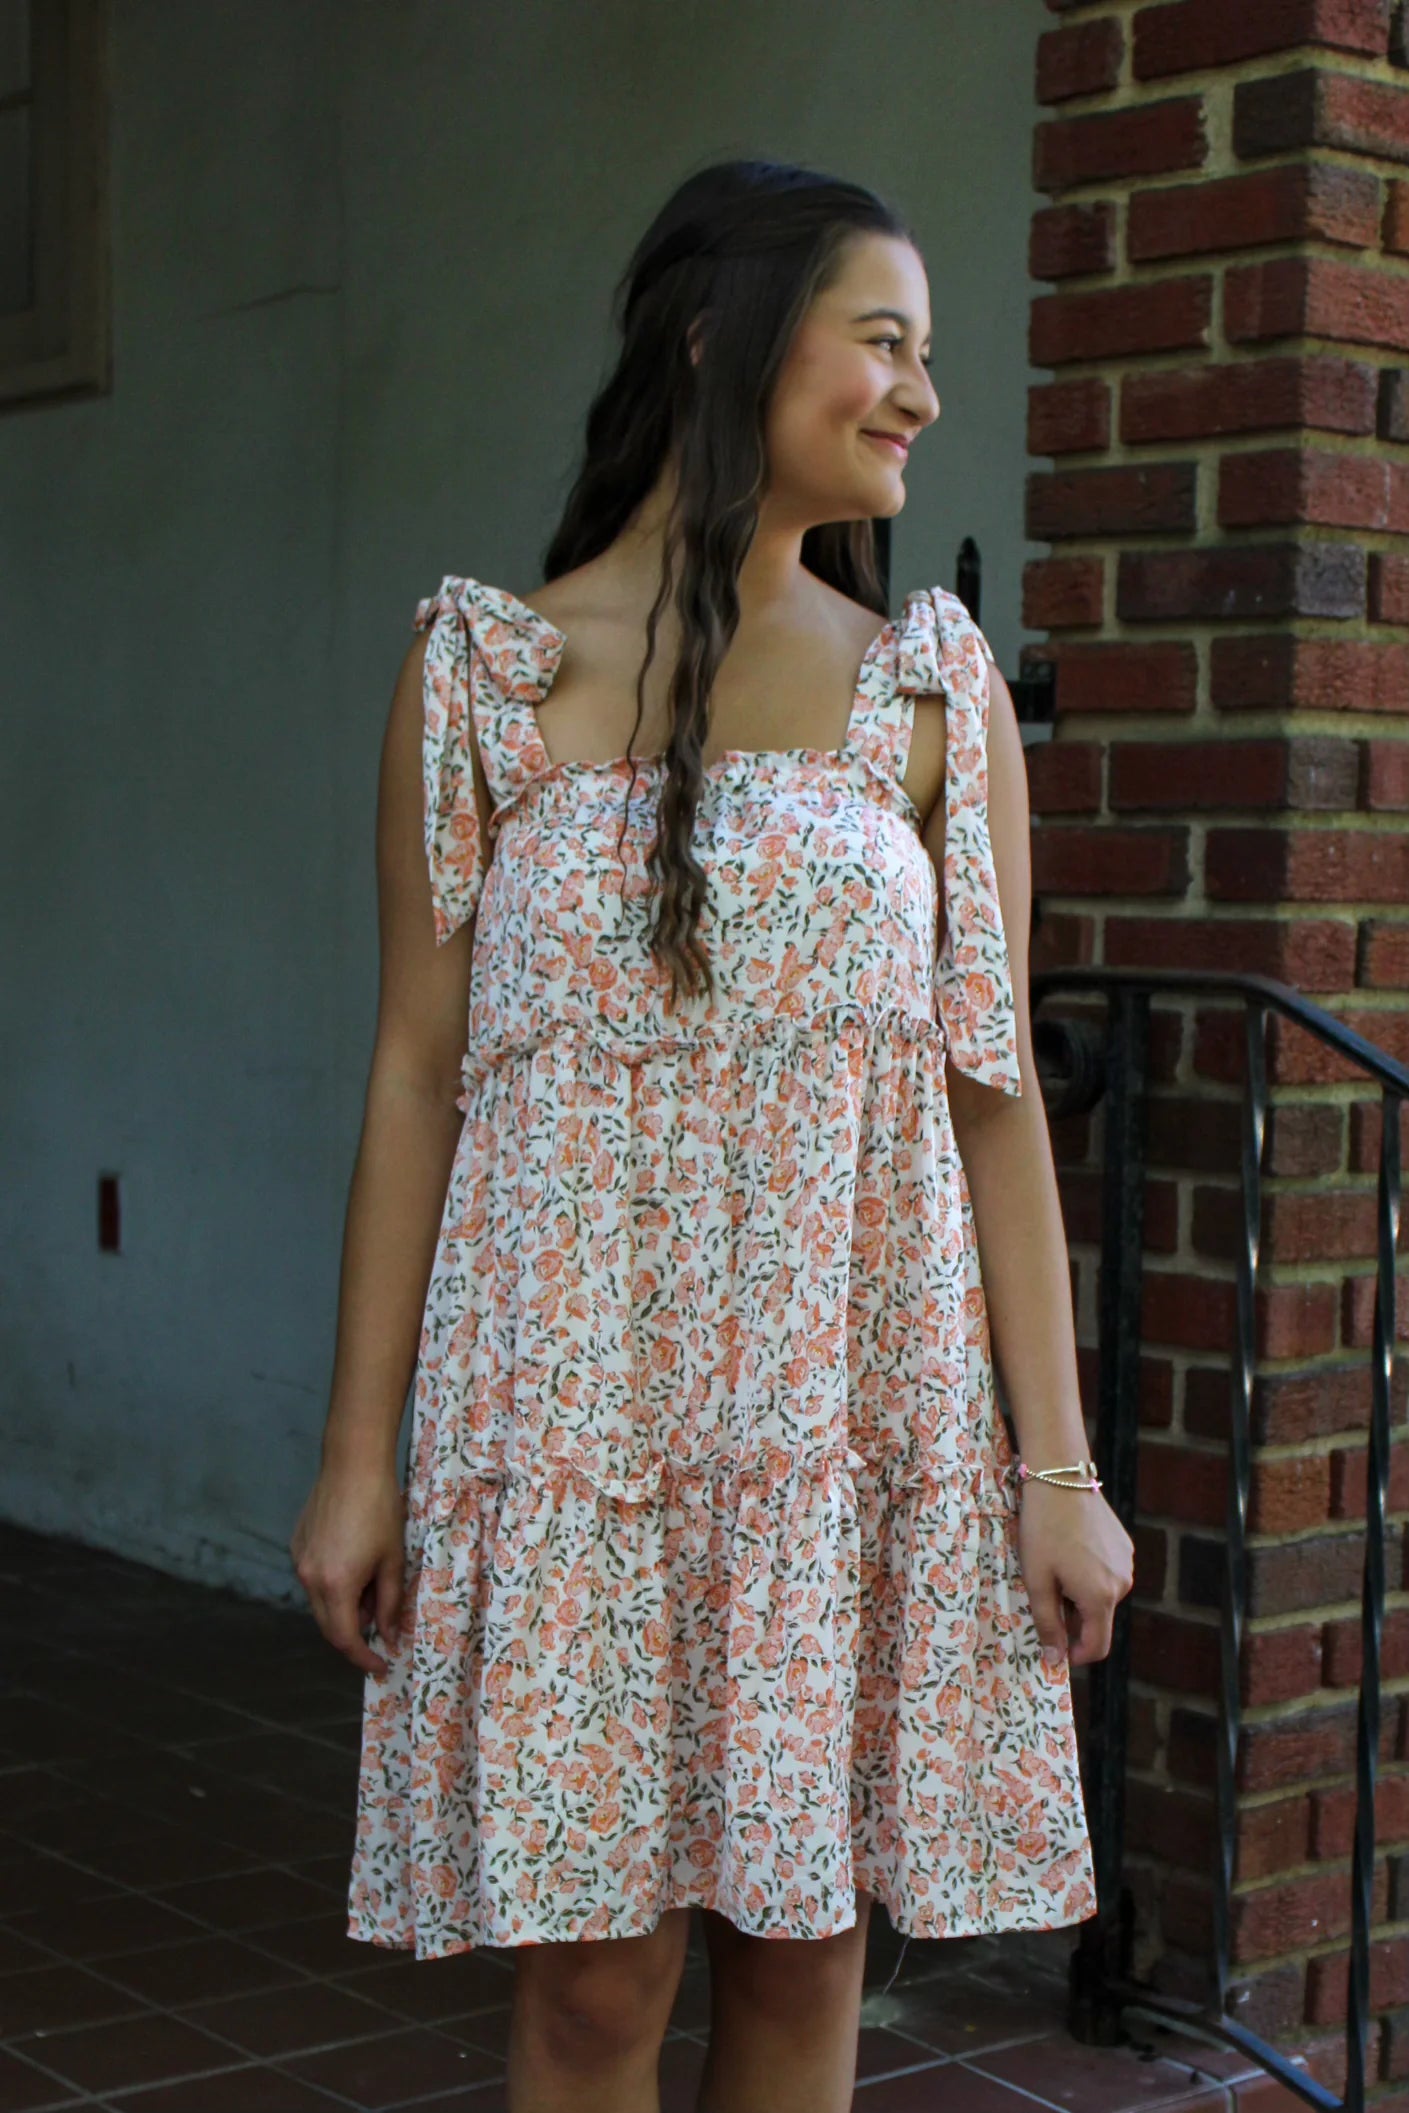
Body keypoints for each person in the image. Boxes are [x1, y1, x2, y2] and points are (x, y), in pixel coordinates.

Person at [290, 157, 1135, 2113]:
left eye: (934, 354)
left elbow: (993, 1100)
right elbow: (415, 1074)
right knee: (593, 1985)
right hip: (574, 1432)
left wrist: (1058, 1462)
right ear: (716, 333)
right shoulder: (486, 676)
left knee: (804, 1950)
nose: (924, 392)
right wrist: (359, 1459)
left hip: (839, 1433)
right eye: (885, 339)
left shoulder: (928, 700)